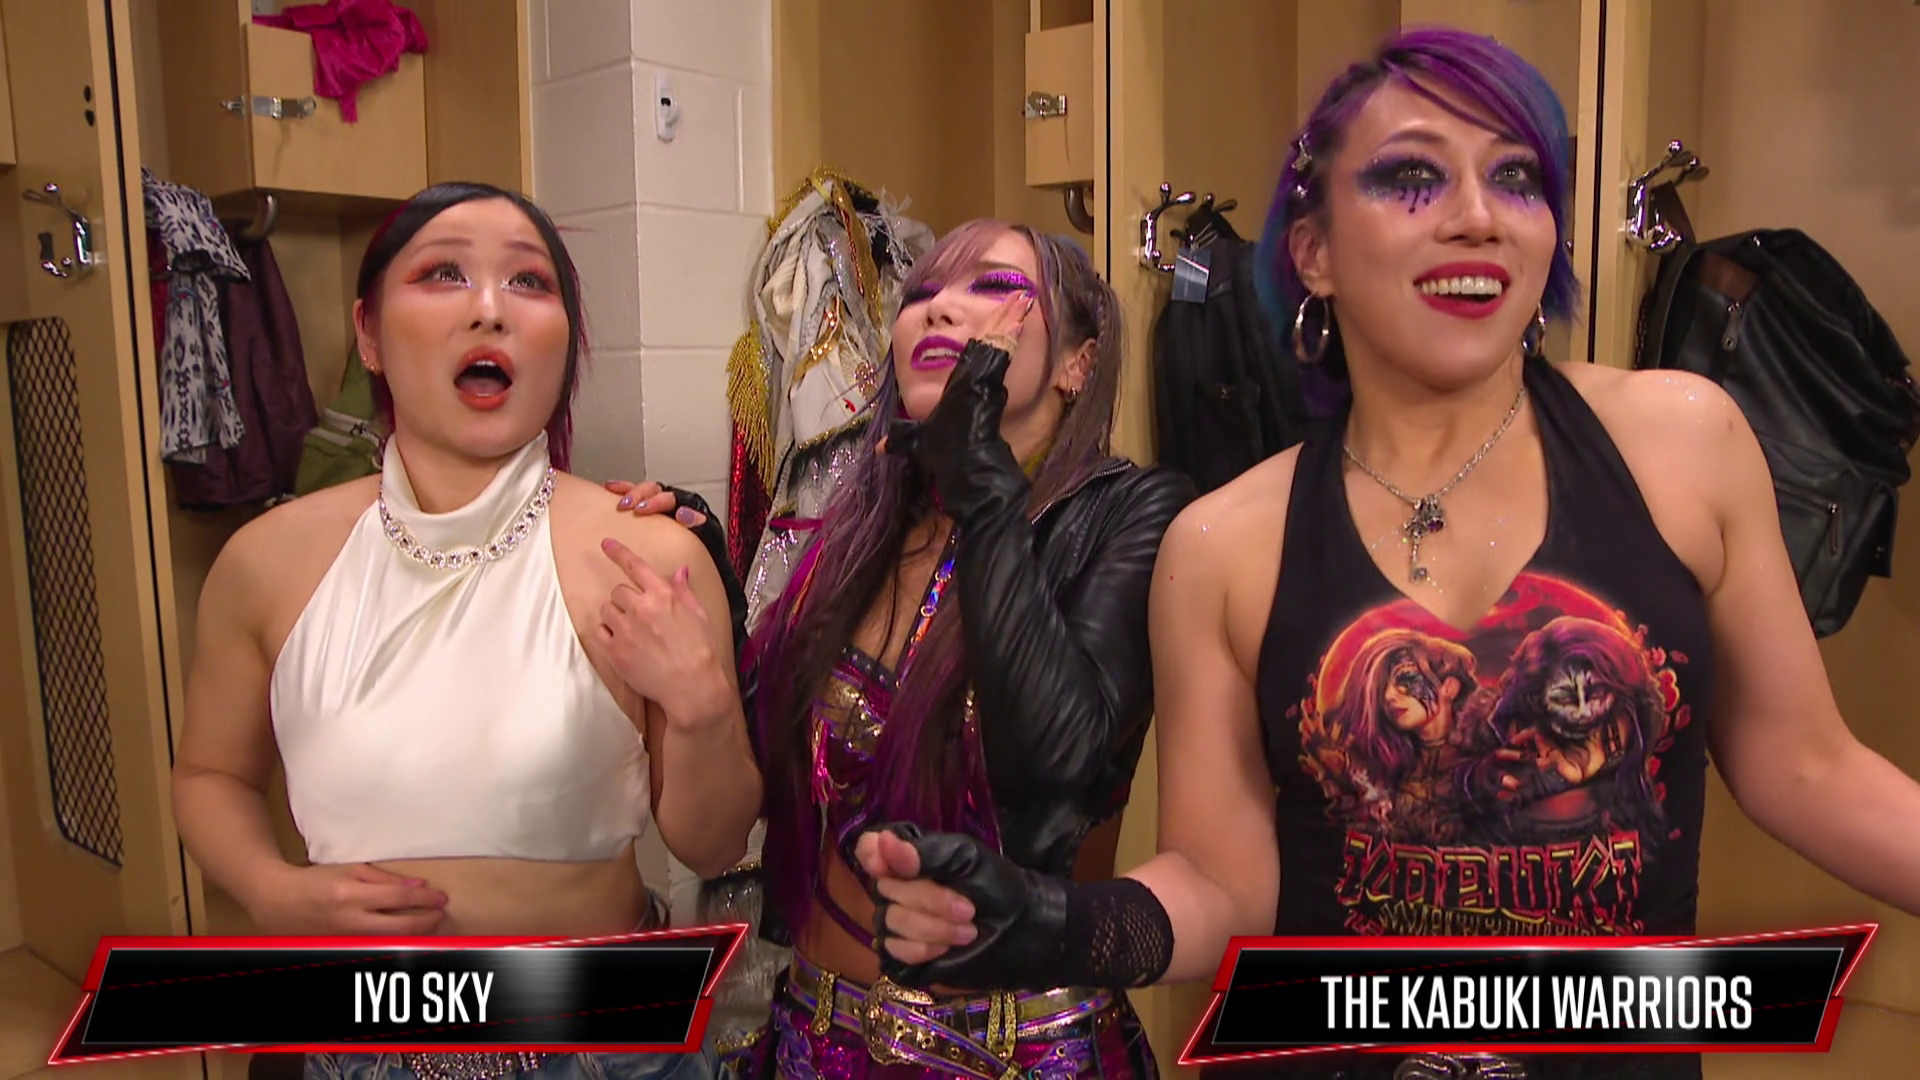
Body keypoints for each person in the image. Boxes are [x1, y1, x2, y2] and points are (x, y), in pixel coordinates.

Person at [850, 27, 1920, 1080]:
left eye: (1515, 178)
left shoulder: (1682, 444)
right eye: (1411, 177)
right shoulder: (1223, 545)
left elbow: (1807, 768)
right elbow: (1224, 886)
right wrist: (1060, 926)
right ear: (1312, 251)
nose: (1476, 216)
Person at [170, 182, 757, 1080]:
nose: (490, 309)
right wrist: (270, 888)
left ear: (564, 343)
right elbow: (211, 776)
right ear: (369, 333)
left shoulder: (646, 556)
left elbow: (714, 846)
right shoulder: (266, 562)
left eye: (528, 282)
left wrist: (706, 709)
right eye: (444, 274)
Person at [612, 221, 1194, 1078]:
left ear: (1078, 361)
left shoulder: (1131, 514)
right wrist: (709, 589)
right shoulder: (860, 530)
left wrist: (984, 481)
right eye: (920, 294)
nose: (938, 309)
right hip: (811, 1037)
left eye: (992, 287)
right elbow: (764, 789)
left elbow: (1055, 774)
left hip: (1015, 1054)